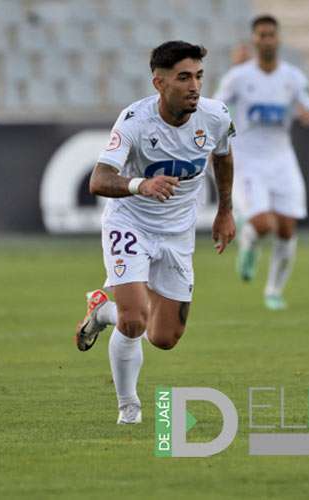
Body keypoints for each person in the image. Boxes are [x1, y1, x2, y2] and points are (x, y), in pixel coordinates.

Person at [73, 41, 236, 425]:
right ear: (159, 83)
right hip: (130, 224)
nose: (194, 86)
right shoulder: (135, 120)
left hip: (178, 233)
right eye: (184, 78)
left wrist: (225, 211)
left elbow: (224, 156)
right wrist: (140, 185)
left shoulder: (215, 116)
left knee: (165, 338)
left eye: (198, 76)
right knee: (134, 322)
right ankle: (128, 408)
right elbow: (99, 180)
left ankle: (101, 311)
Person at [214, 15, 309, 311]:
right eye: (261, 35)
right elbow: (213, 107)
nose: (266, 39)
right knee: (263, 224)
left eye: (271, 34)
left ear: (278, 39)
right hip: (249, 161)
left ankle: (273, 291)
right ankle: (249, 242)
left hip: (281, 158)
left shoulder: (292, 77)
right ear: (254, 40)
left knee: (287, 229)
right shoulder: (238, 76)